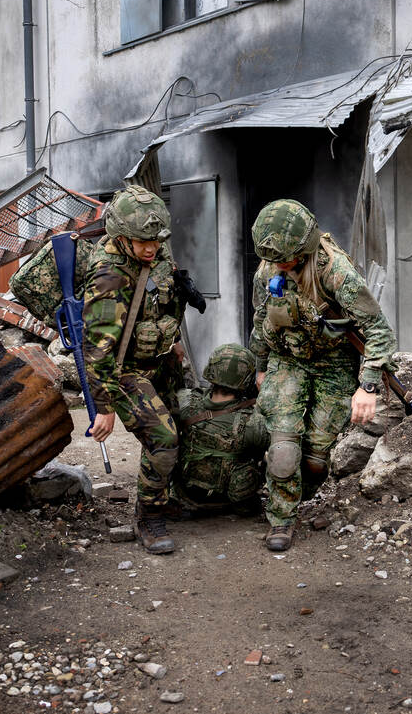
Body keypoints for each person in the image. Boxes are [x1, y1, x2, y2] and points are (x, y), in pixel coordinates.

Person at [249, 199, 397, 551]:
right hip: (287, 359)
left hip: (332, 362)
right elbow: (260, 318)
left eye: (284, 260)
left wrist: (368, 386)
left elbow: (379, 331)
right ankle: (280, 519)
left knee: (315, 460)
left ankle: (292, 495)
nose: (277, 266)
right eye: (272, 260)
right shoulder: (267, 269)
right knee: (284, 451)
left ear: (303, 249)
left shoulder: (336, 272)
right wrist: (260, 365)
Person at [83, 185, 186, 555]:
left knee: (184, 423)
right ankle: (149, 517)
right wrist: (105, 407)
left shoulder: (153, 251)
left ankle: (166, 495)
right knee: (163, 437)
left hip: (158, 359)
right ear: (121, 238)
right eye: (142, 242)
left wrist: (174, 342)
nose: (151, 248)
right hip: (121, 370)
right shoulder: (108, 276)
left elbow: (162, 300)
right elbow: (97, 351)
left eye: (155, 241)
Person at [169, 343, 270, 515]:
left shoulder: (185, 402)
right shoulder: (253, 422)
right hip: (229, 503)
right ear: (246, 379)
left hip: (186, 496)